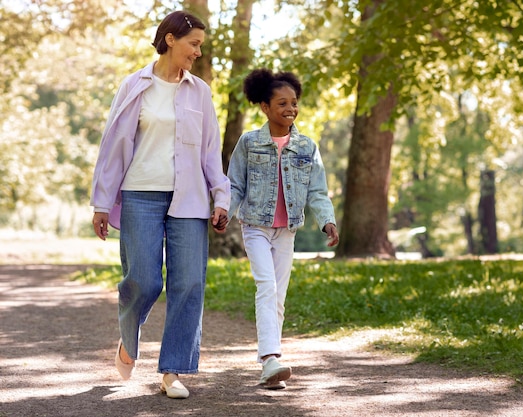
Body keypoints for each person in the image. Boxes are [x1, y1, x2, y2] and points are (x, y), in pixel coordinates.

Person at [90, 10, 230, 399]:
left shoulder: (199, 91)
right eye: (194, 44)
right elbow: (114, 146)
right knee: (145, 280)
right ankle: (128, 339)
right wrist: (102, 202)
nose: (198, 53)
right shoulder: (135, 84)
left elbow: (209, 151)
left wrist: (221, 195)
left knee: (188, 283)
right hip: (140, 194)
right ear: (170, 39)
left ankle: (173, 371)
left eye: (200, 45)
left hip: (189, 199)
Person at [227, 68, 340, 390]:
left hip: (286, 231)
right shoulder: (249, 143)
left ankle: (271, 368)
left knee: (279, 296)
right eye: (282, 104)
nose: (290, 109)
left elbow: (317, 191)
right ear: (264, 106)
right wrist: (223, 211)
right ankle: (270, 358)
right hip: (256, 227)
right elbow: (235, 184)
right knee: (267, 286)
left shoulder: (306, 146)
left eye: (294, 103)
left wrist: (327, 220)